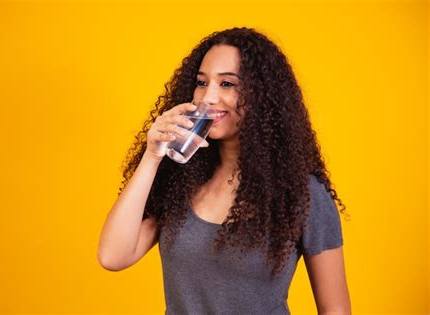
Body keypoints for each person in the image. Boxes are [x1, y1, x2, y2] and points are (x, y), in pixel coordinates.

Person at [98, 27, 351, 314]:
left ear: (263, 95)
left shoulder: (302, 195)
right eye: (201, 82)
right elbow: (112, 256)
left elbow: (335, 309)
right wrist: (152, 157)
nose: (208, 97)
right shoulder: (180, 180)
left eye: (228, 84)